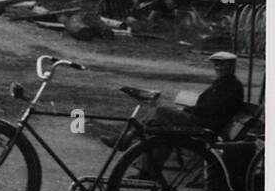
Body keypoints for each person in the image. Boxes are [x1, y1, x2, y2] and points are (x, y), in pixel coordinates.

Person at [100, 51, 246, 149]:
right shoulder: (225, 82)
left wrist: (189, 109)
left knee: (161, 111)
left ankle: (126, 140)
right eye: (216, 64)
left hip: (206, 125)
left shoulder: (230, 85)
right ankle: (131, 146)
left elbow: (214, 109)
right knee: (158, 125)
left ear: (231, 66)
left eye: (222, 65)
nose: (218, 67)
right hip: (204, 120)